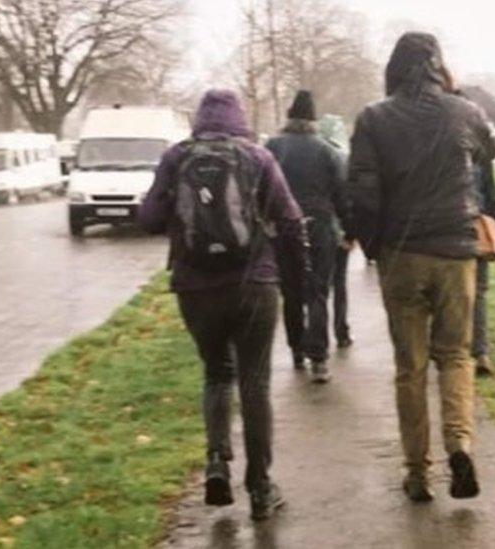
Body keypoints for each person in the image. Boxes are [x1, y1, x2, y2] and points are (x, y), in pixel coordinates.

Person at [138, 89, 308, 520]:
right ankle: (261, 487)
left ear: (200, 118)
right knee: (255, 384)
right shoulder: (257, 157)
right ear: (240, 118)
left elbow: (149, 218)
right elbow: (289, 219)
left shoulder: (177, 158)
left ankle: (217, 460)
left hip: (196, 288)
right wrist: (294, 277)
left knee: (216, 374)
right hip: (254, 284)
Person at [348, 32, 495, 502]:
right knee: (455, 356)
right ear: (439, 65)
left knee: (409, 366)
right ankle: (460, 445)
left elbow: (362, 192)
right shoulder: (463, 111)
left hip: (402, 253)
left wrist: (374, 247)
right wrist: (454, 98)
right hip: (457, 252)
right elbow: (491, 147)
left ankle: (418, 472)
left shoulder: (374, 118)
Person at [266, 91, 350, 383]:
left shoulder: (273, 147)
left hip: (284, 227)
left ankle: (296, 349)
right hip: (319, 226)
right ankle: (319, 359)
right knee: (318, 292)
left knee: (290, 292)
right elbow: (342, 194)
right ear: (314, 121)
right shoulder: (327, 151)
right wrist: (349, 231)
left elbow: (262, 189)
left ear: (289, 118)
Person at [317, 114, 355, 349]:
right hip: (338, 231)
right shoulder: (344, 158)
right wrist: (351, 233)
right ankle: (341, 331)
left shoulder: (314, 154)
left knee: (317, 286)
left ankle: (315, 335)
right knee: (339, 283)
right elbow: (348, 198)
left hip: (318, 229)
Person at [471, 156, 495, 377]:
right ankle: (480, 351)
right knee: (479, 292)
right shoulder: (479, 154)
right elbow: (492, 197)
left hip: (440, 228)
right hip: (475, 226)